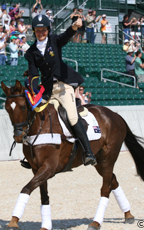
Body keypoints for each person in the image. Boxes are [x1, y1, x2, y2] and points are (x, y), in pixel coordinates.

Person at [24, 15, 97, 166]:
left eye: (43, 30)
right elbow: (33, 73)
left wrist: (75, 26)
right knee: (36, 113)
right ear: (34, 31)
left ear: (48, 30)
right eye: (38, 30)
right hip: (48, 90)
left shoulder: (54, 41)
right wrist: (34, 90)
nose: (41, 33)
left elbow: (66, 36)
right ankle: (31, 153)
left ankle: (88, 152)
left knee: (71, 117)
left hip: (63, 87)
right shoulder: (31, 52)